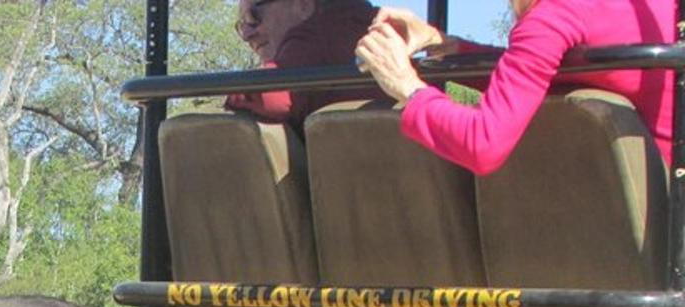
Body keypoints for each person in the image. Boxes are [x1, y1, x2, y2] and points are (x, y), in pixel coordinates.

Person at [355, 1, 675, 175]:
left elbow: (483, 144)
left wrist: (406, 86)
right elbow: (535, 70)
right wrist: (445, 44)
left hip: (660, 236)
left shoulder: (553, 15)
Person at [227, 0, 383, 130]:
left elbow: (270, 98)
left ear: (303, 5)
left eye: (254, 16)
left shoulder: (317, 37)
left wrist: (233, 95)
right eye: (242, 25)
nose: (247, 35)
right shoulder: (383, 29)